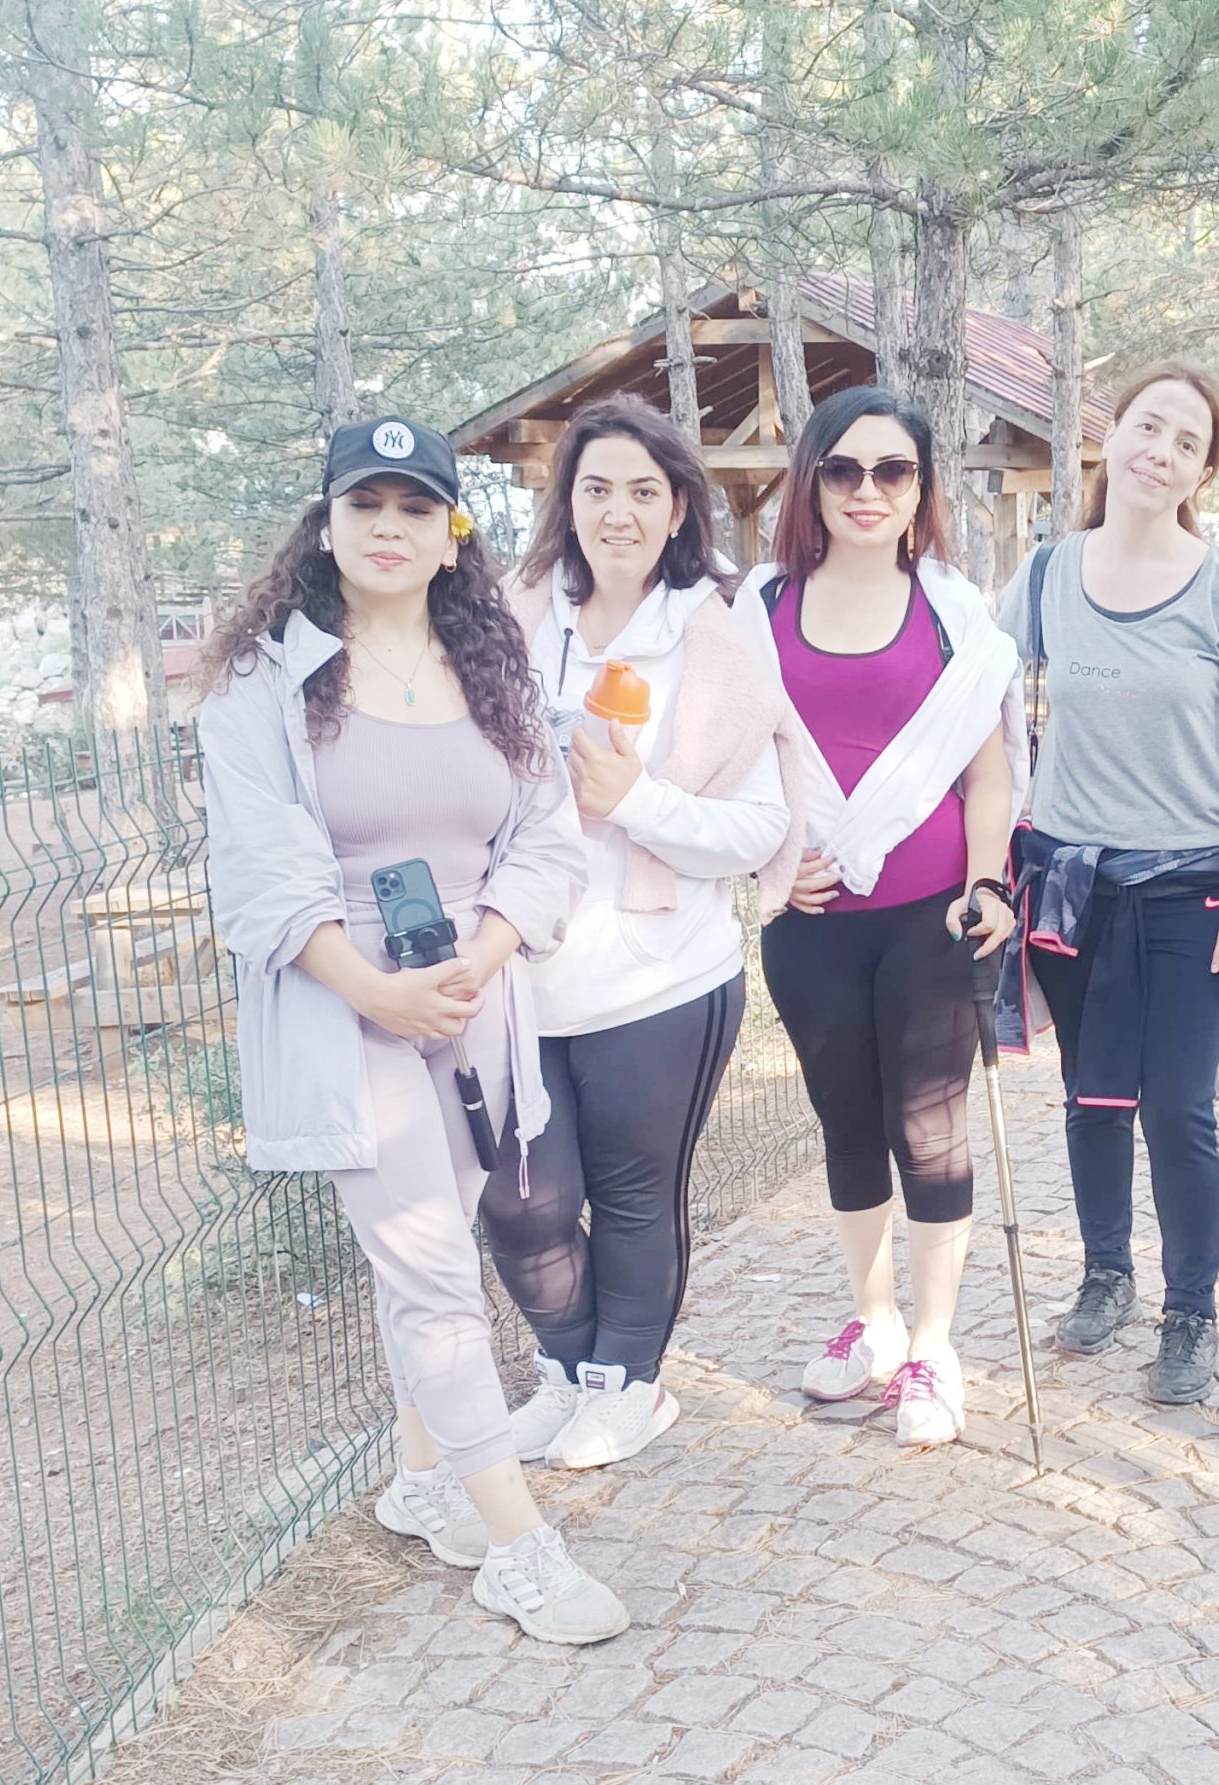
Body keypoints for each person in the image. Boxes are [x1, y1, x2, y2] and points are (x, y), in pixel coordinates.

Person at [197, 415, 625, 1645]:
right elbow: (262, 873)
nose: (389, 528)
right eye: (365, 505)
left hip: (473, 1004)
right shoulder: (263, 685)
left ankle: (422, 1475)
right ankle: (521, 1548)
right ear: (326, 526)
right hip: (349, 1018)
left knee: (431, 1264)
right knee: (433, 1271)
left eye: (415, 508)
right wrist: (375, 991)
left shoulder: (494, 671)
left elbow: (545, 841)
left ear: (452, 535)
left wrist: (482, 957)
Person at [478, 393, 803, 1472]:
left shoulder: (713, 639)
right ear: (566, 503)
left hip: (657, 979)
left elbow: (758, 828)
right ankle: (567, 1367)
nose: (618, 512)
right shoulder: (513, 621)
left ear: (677, 511)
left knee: (630, 1197)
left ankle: (625, 1384)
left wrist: (636, 802)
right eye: (597, 489)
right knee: (521, 1202)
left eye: (643, 492)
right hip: (518, 974)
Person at [741, 386, 1024, 1448]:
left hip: (931, 917)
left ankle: (935, 1347)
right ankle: (874, 1322)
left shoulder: (954, 616)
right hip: (810, 921)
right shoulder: (758, 609)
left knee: (930, 1125)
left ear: (921, 487)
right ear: (811, 480)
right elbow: (727, 766)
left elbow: (987, 777)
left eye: (893, 470)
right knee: (847, 1121)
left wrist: (989, 885)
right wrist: (772, 860)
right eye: (844, 469)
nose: (868, 490)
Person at [994, 360, 1219, 1406]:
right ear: (1110, 438)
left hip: (1195, 888)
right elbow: (975, 707)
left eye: (1188, 443)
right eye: (1149, 428)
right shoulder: (1042, 579)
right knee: (1092, 1094)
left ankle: (1189, 1312)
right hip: (1075, 884)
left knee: (1180, 1107)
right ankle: (1105, 1275)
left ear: (1203, 472)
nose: (1161, 452)